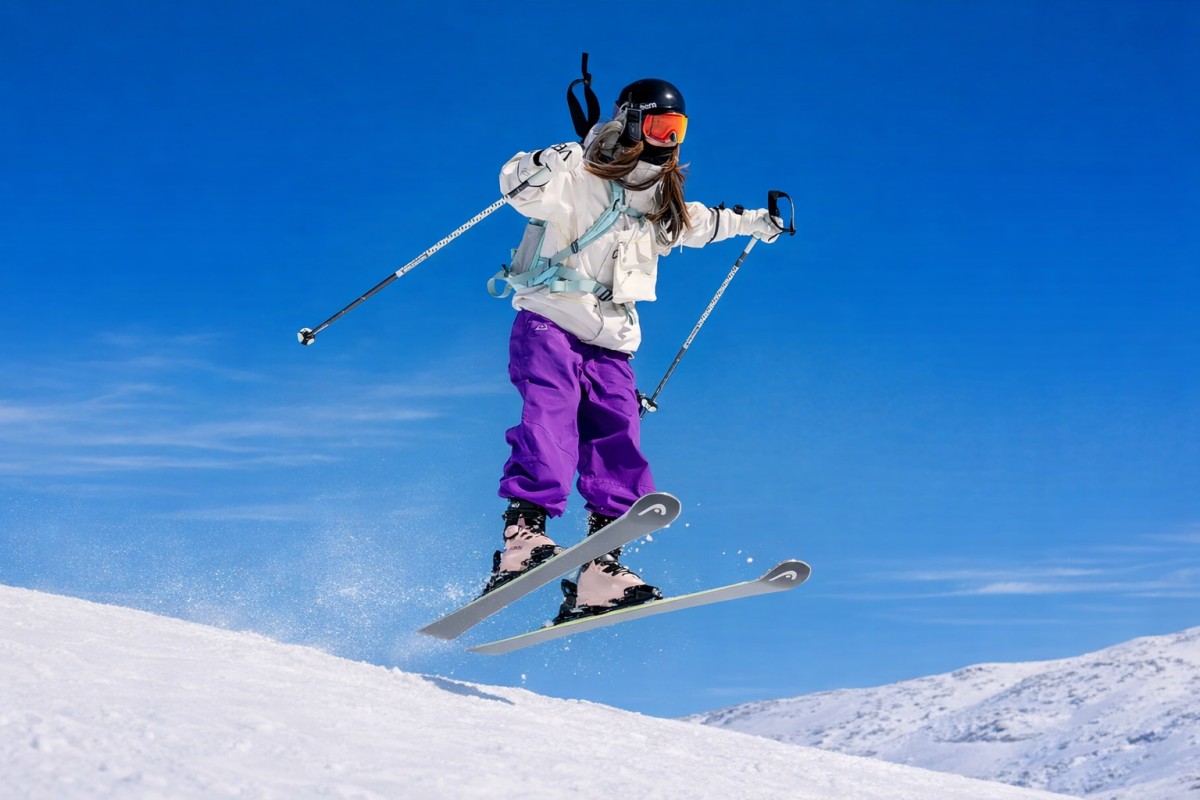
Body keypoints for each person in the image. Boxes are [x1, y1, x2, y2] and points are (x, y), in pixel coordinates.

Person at [483, 78, 784, 623]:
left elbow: (705, 223)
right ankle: (523, 536)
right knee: (550, 420)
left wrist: (756, 224)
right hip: (550, 320)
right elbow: (518, 188)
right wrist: (545, 161)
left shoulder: (659, 202)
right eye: (658, 127)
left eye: (677, 131)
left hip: (612, 342)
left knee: (619, 437)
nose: (667, 141)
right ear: (628, 122)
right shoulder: (577, 176)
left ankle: (601, 568)